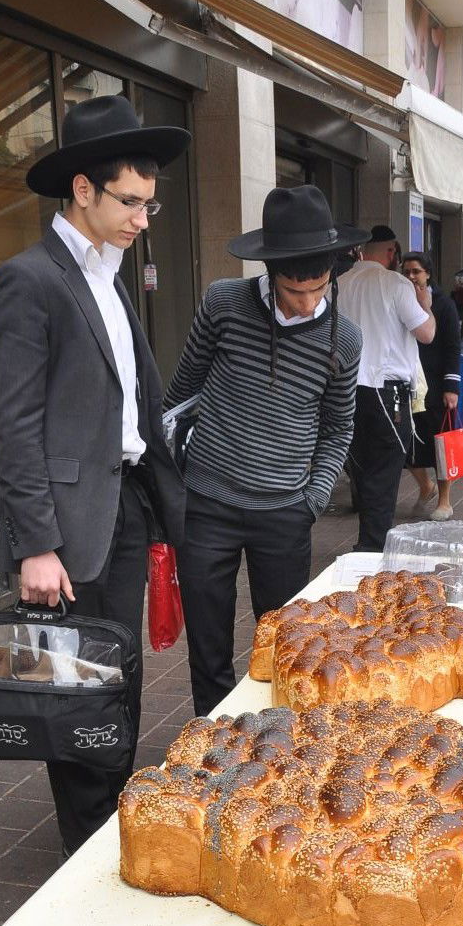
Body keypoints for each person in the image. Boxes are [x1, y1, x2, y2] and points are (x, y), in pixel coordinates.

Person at [0, 94, 189, 857]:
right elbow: (13, 425)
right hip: (68, 530)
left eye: (151, 204)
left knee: (118, 680)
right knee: (75, 692)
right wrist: (35, 543)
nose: (143, 218)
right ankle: (88, 843)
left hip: (124, 506)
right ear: (82, 189)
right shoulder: (30, 279)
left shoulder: (110, 275)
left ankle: (111, 824)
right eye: (130, 201)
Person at [165, 186, 365, 716]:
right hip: (206, 505)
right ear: (270, 272)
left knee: (287, 645)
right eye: (293, 291)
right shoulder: (223, 303)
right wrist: (172, 484)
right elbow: (181, 394)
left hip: (284, 510)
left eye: (318, 289)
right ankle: (213, 738)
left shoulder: (344, 339)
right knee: (208, 644)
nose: (306, 303)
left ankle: (280, 743)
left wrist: (313, 499)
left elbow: (338, 427)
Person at [339, 229, 436, 551]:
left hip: (345, 388)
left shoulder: (338, 283)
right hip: (386, 390)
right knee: (385, 469)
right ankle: (372, 547)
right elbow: (426, 334)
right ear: (392, 251)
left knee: (362, 466)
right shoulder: (396, 284)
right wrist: (426, 304)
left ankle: (367, 542)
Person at [401, 250, 461, 521]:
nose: (411, 276)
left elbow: (452, 347)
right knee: (406, 442)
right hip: (406, 382)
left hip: (436, 385)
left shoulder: (444, 305)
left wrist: (452, 387)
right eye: (406, 272)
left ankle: (445, 500)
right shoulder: (399, 300)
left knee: (441, 444)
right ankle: (426, 486)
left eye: (416, 271)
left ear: (427, 273)